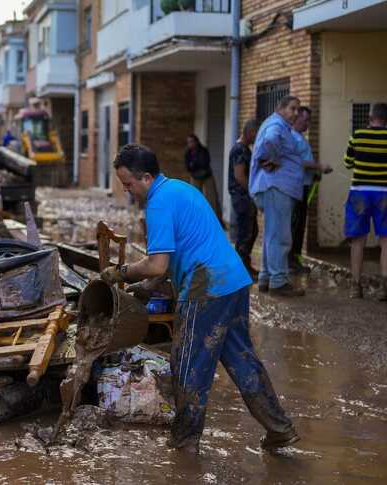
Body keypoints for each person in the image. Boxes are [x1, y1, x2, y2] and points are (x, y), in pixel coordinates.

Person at [103, 144, 298, 454]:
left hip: (206, 288)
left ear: (146, 178)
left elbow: (156, 264)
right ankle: (280, 429)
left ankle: (184, 445)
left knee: (188, 366)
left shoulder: (157, 204)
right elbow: (171, 260)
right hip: (233, 281)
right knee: (242, 359)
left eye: (128, 184)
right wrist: (146, 286)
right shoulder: (181, 189)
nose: (128, 191)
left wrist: (122, 273)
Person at [250, 95, 306, 297]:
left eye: (298, 110)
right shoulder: (277, 125)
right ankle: (279, 281)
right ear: (280, 108)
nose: (296, 113)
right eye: (293, 108)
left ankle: (267, 277)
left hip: (275, 187)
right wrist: (271, 158)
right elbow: (270, 141)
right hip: (277, 187)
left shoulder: (276, 124)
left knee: (272, 235)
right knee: (280, 236)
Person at [344, 102, 387, 301]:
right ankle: (383, 288)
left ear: (370, 118)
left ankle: (355, 286)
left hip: (360, 193)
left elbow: (348, 163)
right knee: (386, 241)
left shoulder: (357, 136)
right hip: (384, 194)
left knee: (358, 241)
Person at [289, 107, 333, 274]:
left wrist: (314, 173)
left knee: (299, 224)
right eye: (306, 120)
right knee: (295, 224)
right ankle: (291, 262)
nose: (308, 124)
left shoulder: (300, 137)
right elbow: (298, 162)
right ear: (297, 118)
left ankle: (294, 259)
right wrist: (319, 166)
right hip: (296, 187)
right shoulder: (292, 138)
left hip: (304, 185)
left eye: (310, 120)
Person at [228, 120, 259, 274]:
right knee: (246, 233)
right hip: (242, 197)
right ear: (250, 132)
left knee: (251, 231)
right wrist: (253, 192)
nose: (256, 138)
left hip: (244, 197)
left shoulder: (244, 149)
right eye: (256, 134)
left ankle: (244, 266)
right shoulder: (240, 150)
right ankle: (240, 270)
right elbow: (240, 176)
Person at [184, 135, 222, 222]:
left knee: (212, 198)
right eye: (189, 142)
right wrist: (194, 165)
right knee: (194, 198)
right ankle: (196, 219)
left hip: (206, 175)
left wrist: (194, 164)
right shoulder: (188, 153)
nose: (191, 144)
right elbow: (188, 167)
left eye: (192, 142)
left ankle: (215, 219)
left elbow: (205, 163)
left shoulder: (203, 150)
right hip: (195, 176)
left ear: (196, 141)